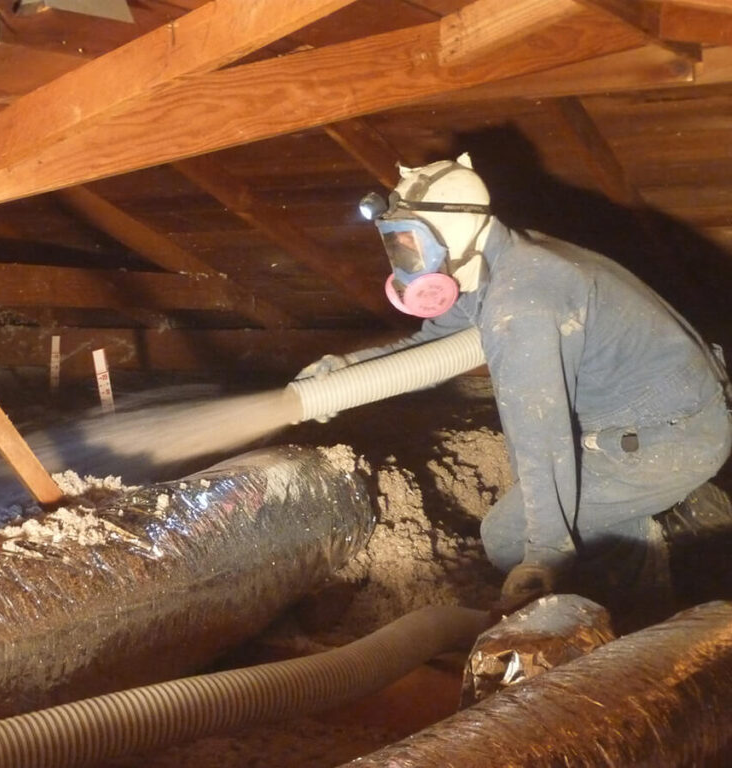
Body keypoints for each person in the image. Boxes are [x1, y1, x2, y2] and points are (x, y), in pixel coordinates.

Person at [298, 154, 732, 607]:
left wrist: (544, 555)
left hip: (672, 439)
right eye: (396, 245)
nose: (405, 261)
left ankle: (643, 601)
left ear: (456, 230)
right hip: (669, 416)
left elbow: (541, 440)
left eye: (411, 244)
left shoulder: (520, 306)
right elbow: (432, 347)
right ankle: (638, 554)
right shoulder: (503, 259)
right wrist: (346, 370)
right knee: (572, 528)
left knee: (508, 537)